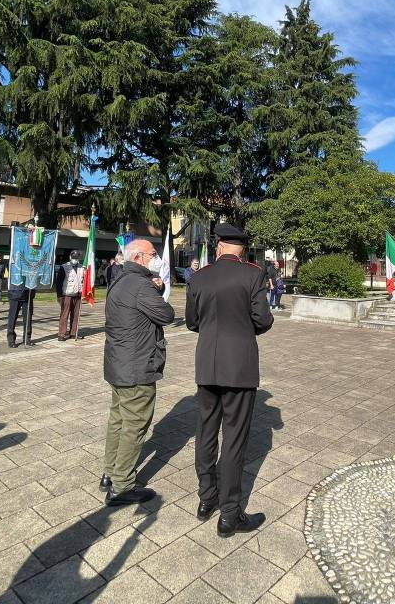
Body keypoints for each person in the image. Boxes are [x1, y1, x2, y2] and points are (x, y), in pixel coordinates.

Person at [186, 223, 274, 536]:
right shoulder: (253, 274)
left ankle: (206, 499)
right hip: (240, 368)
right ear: (241, 249)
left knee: (205, 433)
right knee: (234, 440)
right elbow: (263, 320)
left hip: (207, 366)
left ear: (219, 246)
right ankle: (230, 514)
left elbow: (191, 321)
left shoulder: (200, 276)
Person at [101, 239, 175, 506]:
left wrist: (158, 285)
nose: (157, 259)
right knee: (135, 424)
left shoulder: (119, 280)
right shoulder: (141, 285)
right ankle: (122, 486)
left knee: (118, 421)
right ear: (141, 257)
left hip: (118, 364)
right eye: (154, 254)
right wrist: (158, 290)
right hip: (137, 366)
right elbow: (166, 314)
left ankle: (110, 472)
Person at [54, 250, 85, 341]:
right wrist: (59, 296)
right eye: (74, 258)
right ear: (70, 257)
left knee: (76, 315)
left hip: (78, 294)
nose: (75, 259)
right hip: (66, 295)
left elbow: (83, 281)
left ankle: (73, 333)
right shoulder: (64, 267)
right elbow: (59, 283)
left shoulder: (82, 267)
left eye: (77, 258)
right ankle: (61, 334)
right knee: (64, 315)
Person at [6, 277, 36, 349]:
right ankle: (11, 340)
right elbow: (5, 275)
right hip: (15, 293)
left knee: (28, 317)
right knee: (12, 318)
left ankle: (27, 338)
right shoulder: (12, 265)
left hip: (28, 293)